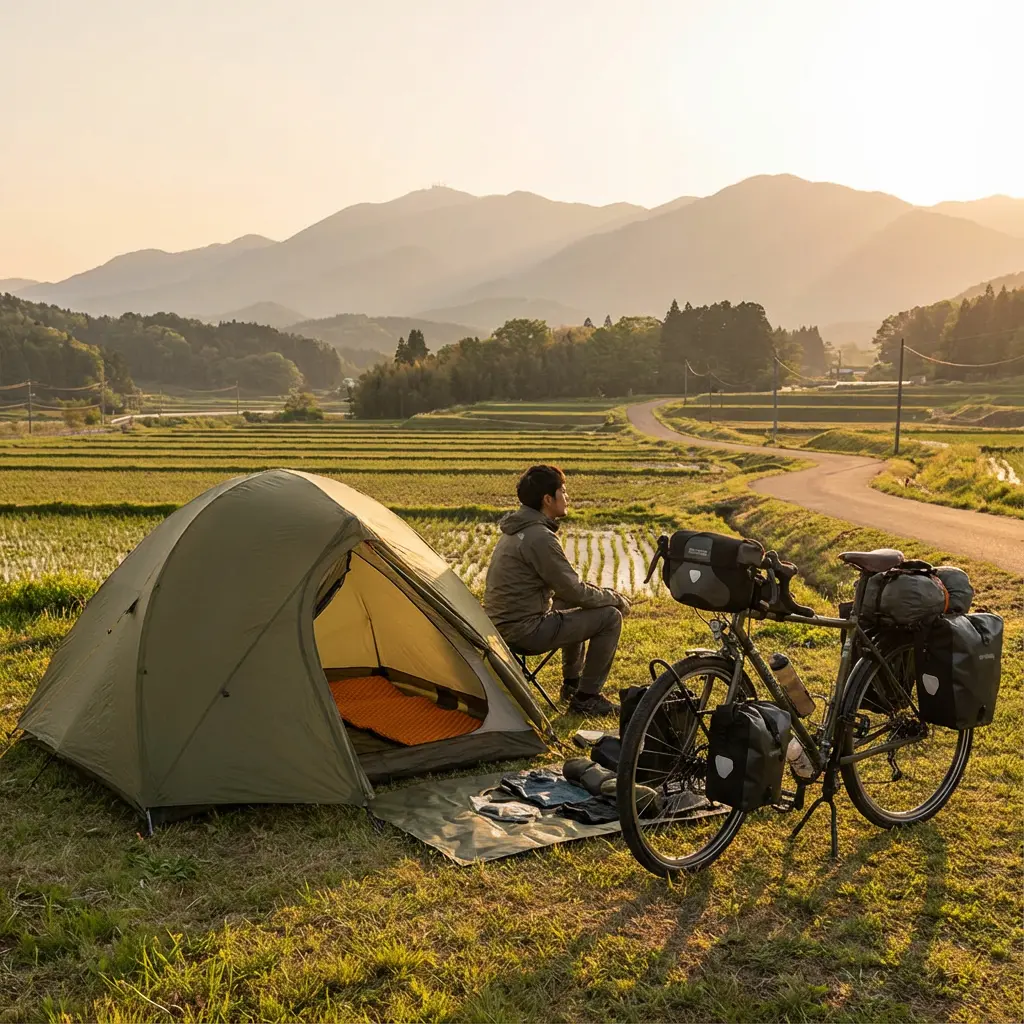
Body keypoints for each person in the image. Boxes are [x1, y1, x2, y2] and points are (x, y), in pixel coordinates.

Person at [484, 464, 630, 716]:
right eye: (563, 491)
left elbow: (568, 590)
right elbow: (576, 591)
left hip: (501, 626)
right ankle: (586, 698)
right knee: (609, 617)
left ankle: (572, 685)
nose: (567, 497)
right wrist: (615, 598)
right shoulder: (539, 537)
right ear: (548, 499)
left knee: (571, 604)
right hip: (524, 632)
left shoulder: (518, 529)